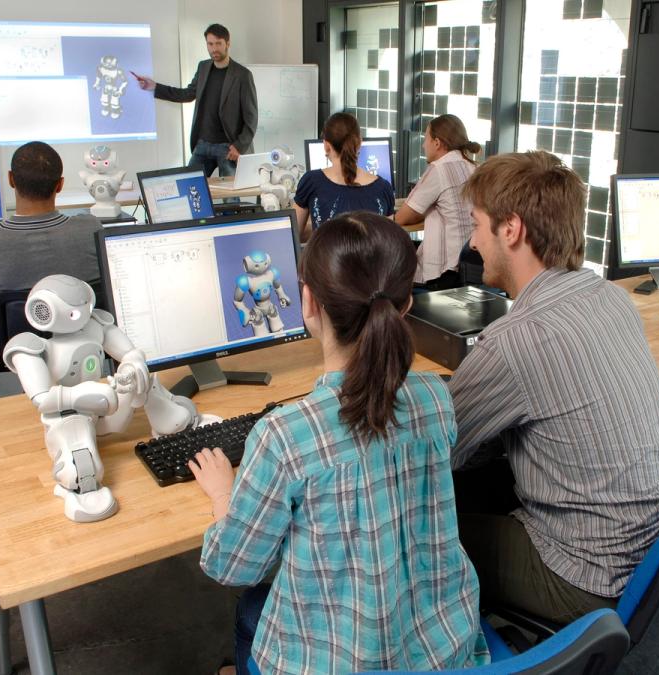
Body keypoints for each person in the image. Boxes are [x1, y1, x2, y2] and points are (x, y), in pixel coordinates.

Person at [188, 212, 489, 674]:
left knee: (252, 605)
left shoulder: (285, 436)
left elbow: (232, 566)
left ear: (307, 301)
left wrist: (221, 493)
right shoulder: (435, 398)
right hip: (442, 648)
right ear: (406, 305)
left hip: (341, 661)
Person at [449, 151, 659, 625]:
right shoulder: (609, 296)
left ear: (511, 229)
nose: (473, 242)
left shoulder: (516, 341)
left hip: (586, 576)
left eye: (476, 225)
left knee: (411, 530)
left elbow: (439, 450)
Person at [0, 142, 102, 299]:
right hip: (82, 323)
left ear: (11, 179)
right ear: (60, 185)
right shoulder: (92, 229)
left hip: (16, 324)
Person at [134, 24, 257, 177]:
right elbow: (187, 94)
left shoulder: (242, 75)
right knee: (189, 186)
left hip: (228, 147)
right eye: (210, 44)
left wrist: (239, 146)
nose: (214, 49)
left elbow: (251, 118)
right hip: (203, 144)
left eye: (218, 43)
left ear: (228, 43)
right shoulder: (203, 67)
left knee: (230, 198)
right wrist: (155, 87)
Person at [394, 114, 480, 289]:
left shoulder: (439, 169)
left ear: (437, 142)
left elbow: (403, 218)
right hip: (470, 266)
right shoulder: (474, 168)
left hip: (444, 273)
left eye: (426, 139)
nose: (424, 145)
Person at [293, 113, 395, 241]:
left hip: (326, 260)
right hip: (374, 261)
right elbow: (389, 243)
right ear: (359, 144)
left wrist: (318, 226)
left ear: (326, 145)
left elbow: (292, 234)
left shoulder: (311, 182)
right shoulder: (383, 188)